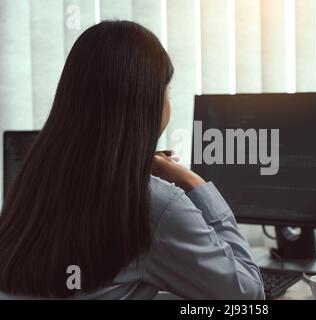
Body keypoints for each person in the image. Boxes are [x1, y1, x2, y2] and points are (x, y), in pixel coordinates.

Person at [0, 21, 264, 300]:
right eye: (167, 91)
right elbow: (247, 296)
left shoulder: (35, 181)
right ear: (148, 101)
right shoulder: (151, 205)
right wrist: (192, 182)